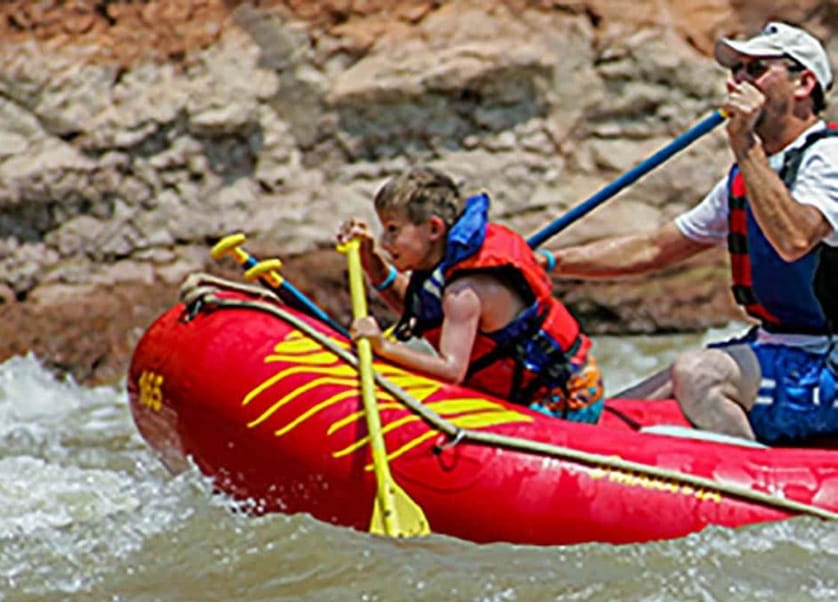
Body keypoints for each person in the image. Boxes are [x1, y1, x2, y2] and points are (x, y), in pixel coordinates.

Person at [544, 22, 838, 445]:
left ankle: (758, 492)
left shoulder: (827, 159)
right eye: (736, 70)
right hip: (781, 352)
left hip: (825, 366)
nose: (736, 81)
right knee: (614, 413)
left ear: (803, 83)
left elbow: (795, 240)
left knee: (699, 372)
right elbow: (655, 248)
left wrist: (744, 145)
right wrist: (548, 263)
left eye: (754, 70)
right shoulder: (749, 175)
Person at [337, 166, 605, 423]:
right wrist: (369, 259)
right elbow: (417, 311)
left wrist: (383, 347)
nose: (385, 241)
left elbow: (451, 371)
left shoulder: (463, 293)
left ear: (433, 229)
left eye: (393, 229)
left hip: (568, 397)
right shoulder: (443, 271)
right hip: (528, 388)